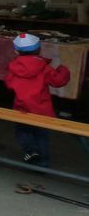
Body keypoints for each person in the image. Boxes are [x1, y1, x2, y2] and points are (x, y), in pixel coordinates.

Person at [5, 33, 70, 167]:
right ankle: (43, 164)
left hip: (21, 108)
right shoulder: (44, 68)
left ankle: (31, 150)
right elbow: (59, 81)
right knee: (42, 136)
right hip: (42, 109)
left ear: (16, 51)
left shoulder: (13, 67)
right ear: (39, 49)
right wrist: (63, 69)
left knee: (22, 131)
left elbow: (9, 84)